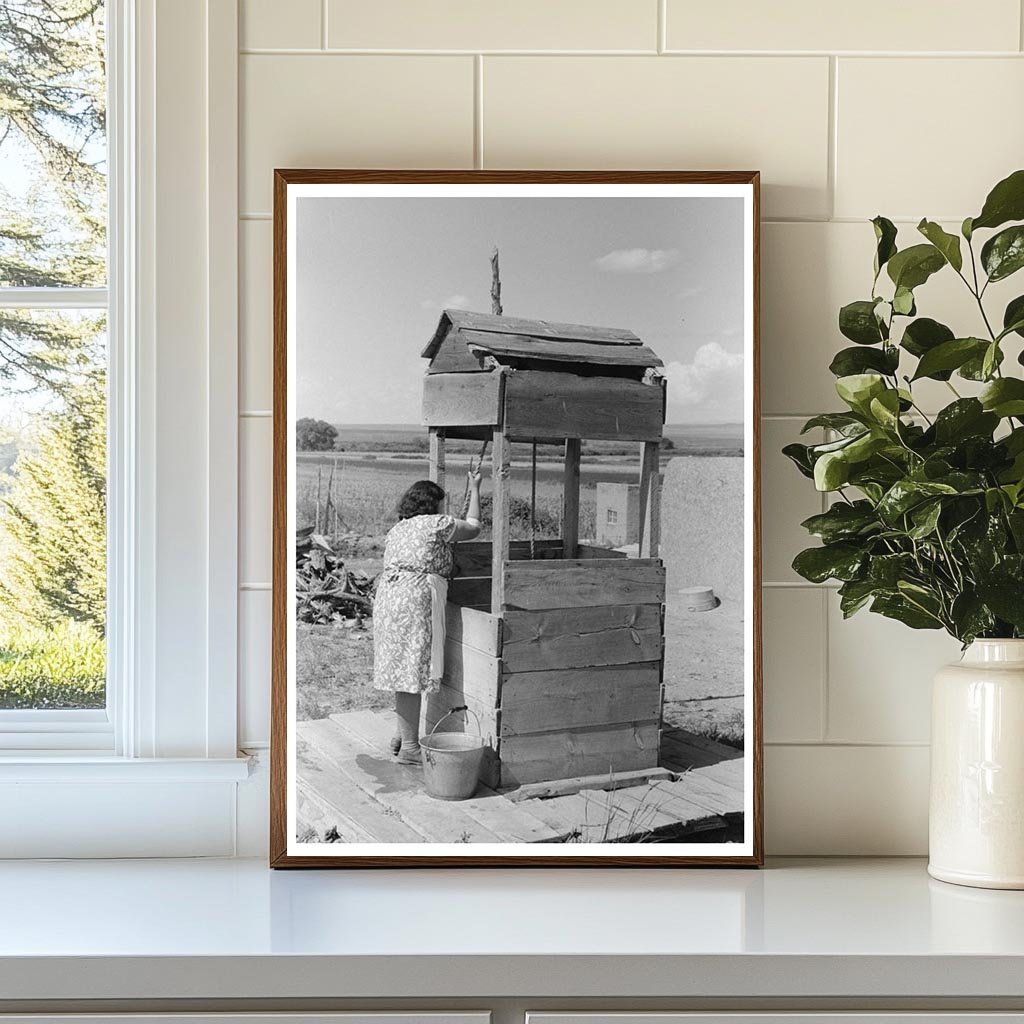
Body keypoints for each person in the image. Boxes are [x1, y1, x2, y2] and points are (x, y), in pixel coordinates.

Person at [372, 464, 482, 763]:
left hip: (390, 598)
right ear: (433, 504)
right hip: (414, 598)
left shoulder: (399, 528)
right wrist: (475, 489)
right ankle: (410, 748)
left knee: (401, 668)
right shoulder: (436, 524)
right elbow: (473, 526)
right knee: (412, 671)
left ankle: (402, 734)